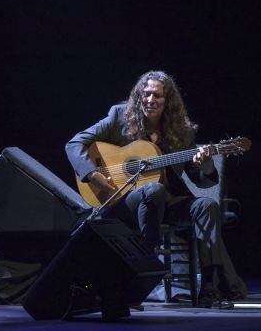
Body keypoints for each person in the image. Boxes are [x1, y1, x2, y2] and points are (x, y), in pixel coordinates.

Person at [65, 70, 246, 307]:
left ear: (168, 101)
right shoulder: (119, 116)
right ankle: (141, 276)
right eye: (146, 94)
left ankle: (209, 289)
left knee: (206, 205)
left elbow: (201, 181)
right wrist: (93, 175)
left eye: (157, 96)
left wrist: (208, 162)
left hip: (169, 202)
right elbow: (75, 142)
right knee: (153, 190)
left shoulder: (183, 132)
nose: (150, 100)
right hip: (124, 199)